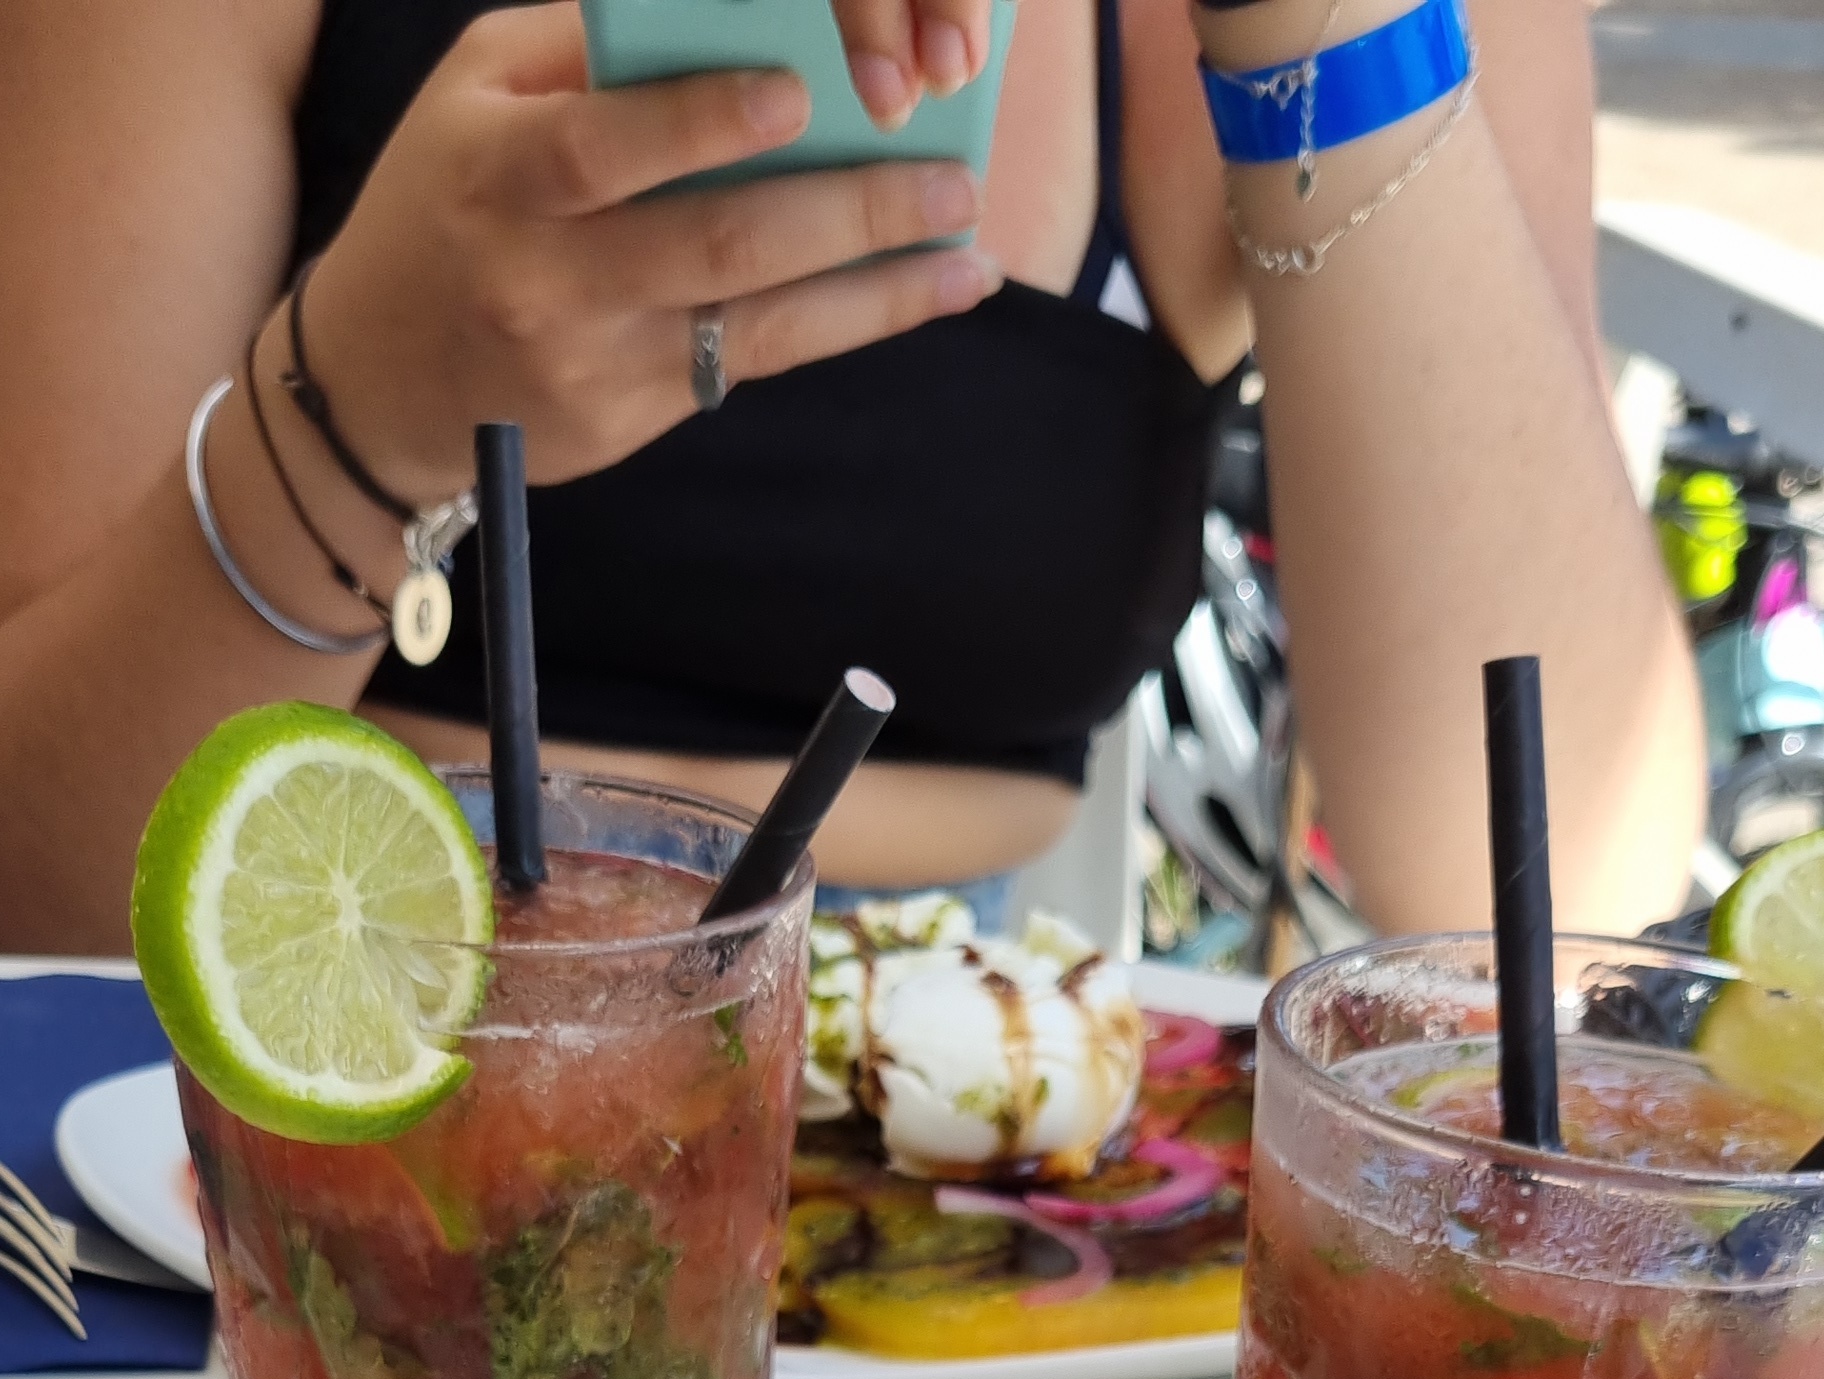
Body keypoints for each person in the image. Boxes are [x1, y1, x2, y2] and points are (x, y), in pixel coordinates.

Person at [0, 0, 1701, 953]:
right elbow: (37, 876)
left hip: (962, 1164)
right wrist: (358, 420)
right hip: (292, 1013)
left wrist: (1317, 34)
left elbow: (1549, 890)